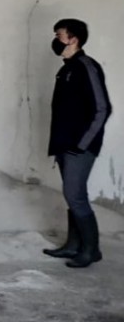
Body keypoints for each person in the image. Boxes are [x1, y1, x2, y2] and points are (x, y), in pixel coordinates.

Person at [42, 18, 111, 268]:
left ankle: (91, 250)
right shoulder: (67, 68)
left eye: (59, 35)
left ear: (73, 39)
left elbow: (102, 109)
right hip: (64, 145)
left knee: (75, 196)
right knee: (73, 196)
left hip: (79, 147)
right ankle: (73, 245)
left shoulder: (86, 67)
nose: (56, 40)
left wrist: (82, 144)